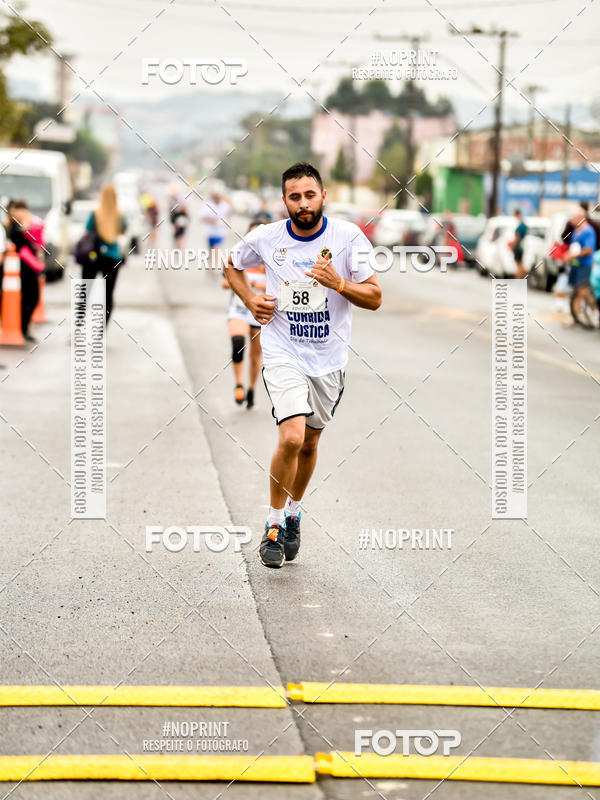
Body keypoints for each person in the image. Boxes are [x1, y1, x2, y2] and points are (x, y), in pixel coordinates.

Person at [225, 162, 382, 569]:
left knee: (311, 442)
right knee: (292, 437)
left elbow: (375, 297)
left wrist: (339, 284)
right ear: (284, 201)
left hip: (329, 359)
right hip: (283, 351)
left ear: (323, 196)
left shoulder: (347, 238)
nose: (303, 203)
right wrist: (248, 300)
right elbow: (231, 264)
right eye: (294, 197)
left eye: (310, 195)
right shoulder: (267, 237)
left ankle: (294, 513)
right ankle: (274, 523)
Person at [222, 221, 266, 408]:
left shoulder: (271, 260)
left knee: (255, 356)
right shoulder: (240, 257)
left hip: (260, 313)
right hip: (239, 310)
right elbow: (225, 282)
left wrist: (253, 284)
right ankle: (239, 383)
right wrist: (241, 282)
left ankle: (251, 387)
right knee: (238, 344)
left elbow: (282, 287)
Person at [78, 183, 126, 325]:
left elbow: (86, 233)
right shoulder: (119, 215)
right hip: (112, 258)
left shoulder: (95, 214)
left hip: (94, 257)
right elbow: (122, 232)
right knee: (108, 295)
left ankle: (78, 327)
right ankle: (101, 331)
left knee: (85, 292)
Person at [6, 201, 45, 342]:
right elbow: (21, 246)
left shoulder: (22, 226)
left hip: (28, 267)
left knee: (31, 298)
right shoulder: (13, 228)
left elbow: (36, 243)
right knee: (29, 298)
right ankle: (22, 328)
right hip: (22, 268)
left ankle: (24, 327)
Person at [201, 190, 231, 273]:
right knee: (211, 251)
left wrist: (225, 222)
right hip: (210, 232)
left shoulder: (225, 206)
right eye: (216, 197)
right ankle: (210, 266)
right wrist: (211, 220)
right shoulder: (208, 205)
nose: (218, 199)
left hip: (220, 232)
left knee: (217, 249)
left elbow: (229, 216)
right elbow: (201, 218)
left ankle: (215, 267)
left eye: (219, 197)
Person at [511, 209, 528, 279]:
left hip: (518, 247)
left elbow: (517, 237)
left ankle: (517, 280)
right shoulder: (524, 225)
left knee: (518, 265)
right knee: (520, 264)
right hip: (521, 247)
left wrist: (512, 245)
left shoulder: (521, 226)